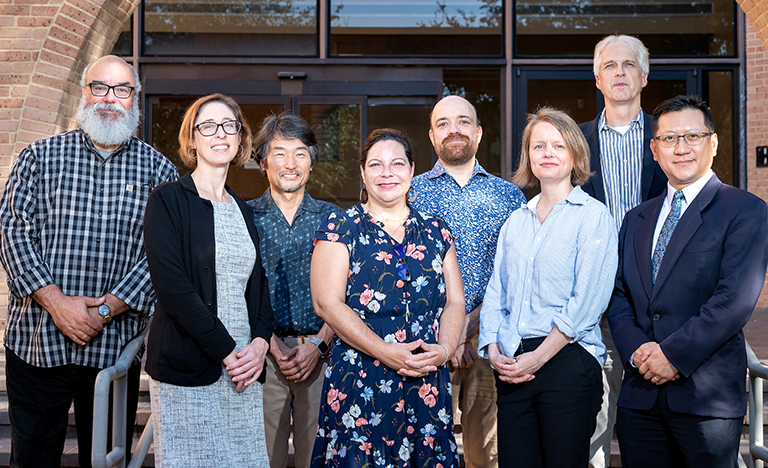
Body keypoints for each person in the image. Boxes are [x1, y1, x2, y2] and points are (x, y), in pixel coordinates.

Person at [0, 55, 178, 468]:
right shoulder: (37, 158)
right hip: (36, 341)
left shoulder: (160, 172)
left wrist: (106, 307)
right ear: (84, 92)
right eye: (100, 87)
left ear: (135, 98)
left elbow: (163, 256)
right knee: (32, 458)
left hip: (114, 348)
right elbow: (12, 231)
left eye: (121, 90)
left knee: (105, 462)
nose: (109, 99)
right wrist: (58, 303)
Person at [608, 95, 768, 468]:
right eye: (669, 139)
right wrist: (638, 353)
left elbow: (735, 300)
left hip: (704, 398)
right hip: (640, 395)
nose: (681, 148)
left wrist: (672, 356)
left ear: (712, 143)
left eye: (692, 136)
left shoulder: (745, 209)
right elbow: (618, 295)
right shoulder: (636, 219)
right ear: (654, 149)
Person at [309, 128, 465, 467]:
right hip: (361, 379)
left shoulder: (436, 230)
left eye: (397, 163)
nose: (387, 173)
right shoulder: (340, 226)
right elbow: (327, 303)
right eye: (376, 165)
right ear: (363, 172)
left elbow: (455, 301)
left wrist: (444, 351)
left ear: (412, 170)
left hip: (426, 379)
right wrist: (385, 352)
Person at [479, 107, 618, 468]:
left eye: (558, 145)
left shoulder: (593, 217)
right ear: (528, 155)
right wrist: (493, 349)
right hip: (512, 365)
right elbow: (498, 291)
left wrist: (538, 357)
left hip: (567, 362)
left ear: (574, 154)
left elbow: (587, 303)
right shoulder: (516, 221)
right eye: (538, 146)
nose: (548, 153)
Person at [143, 93, 273, 468]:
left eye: (229, 125)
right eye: (208, 126)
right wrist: (226, 350)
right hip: (190, 367)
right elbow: (173, 288)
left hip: (244, 370)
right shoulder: (167, 201)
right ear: (193, 139)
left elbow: (258, 285)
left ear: (239, 139)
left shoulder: (243, 208)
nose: (220, 133)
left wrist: (261, 344)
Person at [411, 95, 525, 468]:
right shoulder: (410, 194)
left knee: (486, 454)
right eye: (443, 123)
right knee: (425, 450)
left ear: (477, 132)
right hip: (425, 346)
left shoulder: (509, 196)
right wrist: (449, 336)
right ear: (431, 136)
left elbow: (513, 276)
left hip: (489, 344)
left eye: (463, 122)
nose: (453, 130)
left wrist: (468, 331)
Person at [578, 34, 668, 468]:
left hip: (657, 294)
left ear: (644, 76)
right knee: (592, 417)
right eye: (610, 65)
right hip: (591, 295)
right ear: (597, 78)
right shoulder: (572, 141)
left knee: (652, 417)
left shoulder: (670, 136)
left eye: (628, 65)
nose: (619, 72)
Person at [248, 112, 339, 468]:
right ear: (263, 162)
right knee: (262, 458)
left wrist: (318, 344)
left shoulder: (334, 219)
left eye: (300, 153)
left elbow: (347, 293)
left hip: (321, 354)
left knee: (316, 459)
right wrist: (272, 345)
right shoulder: (246, 217)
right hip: (263, 358)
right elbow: (238, 290)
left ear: (312, 163)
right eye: (280, 152)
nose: (290, 163)